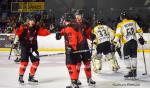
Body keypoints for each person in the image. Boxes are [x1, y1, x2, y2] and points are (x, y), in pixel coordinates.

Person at [14, 17, 51, 84]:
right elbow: (17, 32)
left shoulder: (36, 27)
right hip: (25, 47)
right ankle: (21, 77)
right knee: (24, 62)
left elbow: (43, 33)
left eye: (33, 21)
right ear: (27, 21)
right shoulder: (23, 27)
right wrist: (16, 27)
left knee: (36, 62)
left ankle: (31, 77)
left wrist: (49, 30)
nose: (32, 22)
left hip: (33, 48)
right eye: (30, 20)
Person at [113, 11, 145, 79]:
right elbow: (140, 31)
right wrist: (141, 38)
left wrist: (114, 44)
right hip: (134, 42)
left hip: (126, 43)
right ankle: (134, 72)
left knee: (126, 58)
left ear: (121, 18)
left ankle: (130, 72)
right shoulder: (133, 22)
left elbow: (117, 35)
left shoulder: (120, 24)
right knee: (134, 57)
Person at [74, 10, 96, 86]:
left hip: (84, 45)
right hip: (76, 47)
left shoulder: (86, 24)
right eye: (76, 15)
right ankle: (76, 79)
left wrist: (91, 36)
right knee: (77, 64)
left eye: (79, 15)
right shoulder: (72, 24)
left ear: (82, 15)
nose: (77, 17)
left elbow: (87, 34)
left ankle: (89, 78)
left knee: (87, 63)